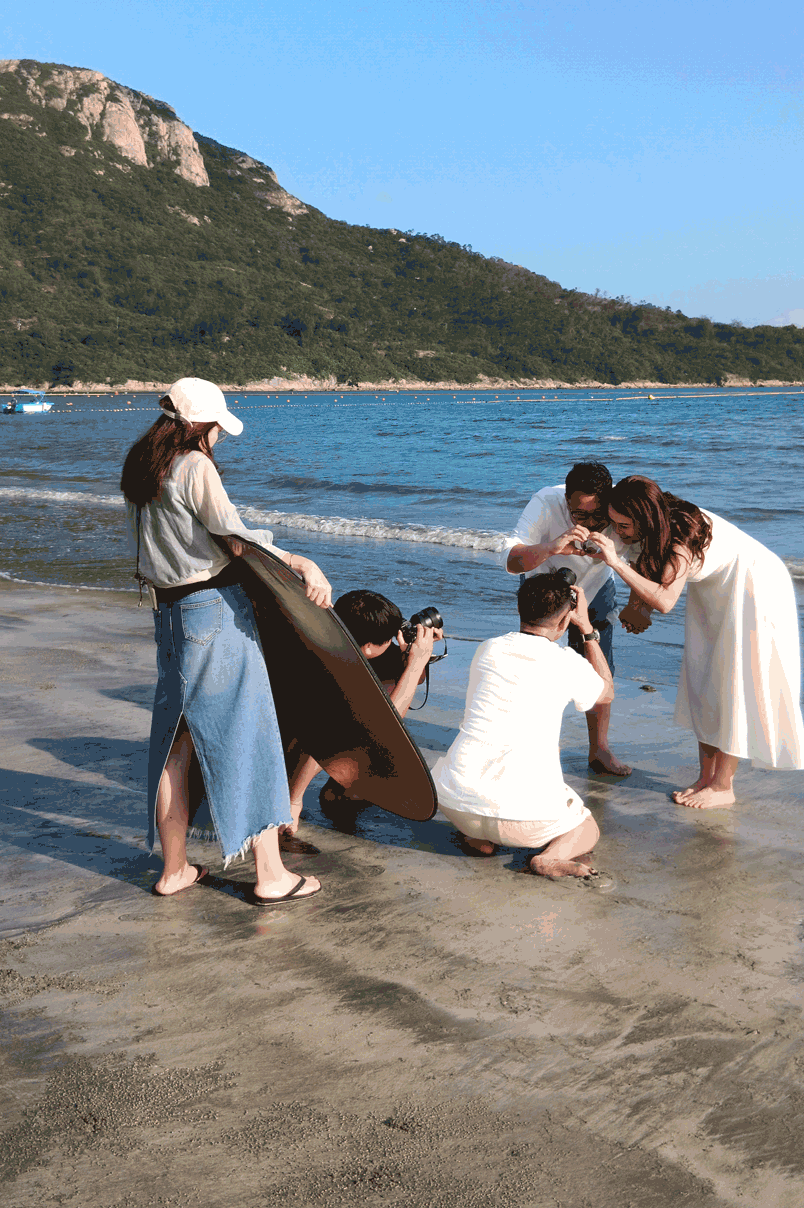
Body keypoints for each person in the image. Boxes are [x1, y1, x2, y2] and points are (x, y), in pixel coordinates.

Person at [122, 376, 333, 904]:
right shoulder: (194, 466)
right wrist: (298, 560)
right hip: (211, 612)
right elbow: (233, 537)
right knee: (247, 737)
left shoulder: (142, 466)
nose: (218, 437)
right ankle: (271, 876)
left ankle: (174, 870)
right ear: (200, 425)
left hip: (167, 614)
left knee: (175, 746)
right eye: (216, 427)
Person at [582, 475, 804, 809]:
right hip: (714, 588)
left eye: (624, 525)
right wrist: (634, 608)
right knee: (702, 675)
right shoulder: (647, 525)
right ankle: (705, 777)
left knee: (736, 680)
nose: (617, 531)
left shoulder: (681, 536)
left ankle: (723, 785)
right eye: (614, 523)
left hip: (754, 584)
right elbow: (642, 560)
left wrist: (615, 564)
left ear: (645, 518)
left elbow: (665, 600)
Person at [431, 570, 611, 879]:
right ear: (565, 619)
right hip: (527, 822)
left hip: (452, 801)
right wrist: (588, 629)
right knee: (586, 827)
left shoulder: (488, 649)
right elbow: (605, 693)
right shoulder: (566, 662)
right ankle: (550, 857)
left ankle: (479, 837)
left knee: (481, 794)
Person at [506, 459, 632, 776]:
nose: (590, 523)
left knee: (601, 663)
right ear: (566, 502)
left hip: (598, 586)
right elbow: (511, 560)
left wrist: (639, 606)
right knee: (532, 665)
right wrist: (551, 547)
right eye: (580, 515)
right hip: (545, 583)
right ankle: (524, 745)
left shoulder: (622, 510)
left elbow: (647, 560)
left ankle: (599, 750)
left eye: (598, 515)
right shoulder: (546, 500)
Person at [285, 589, 440, 836]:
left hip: (299, 730)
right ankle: (292, 801)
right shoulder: (333, 664)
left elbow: (414, 683)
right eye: (388, 638)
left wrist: (414, 656)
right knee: (331, 727)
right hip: (296, 738)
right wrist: (416, 662)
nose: (392, 640)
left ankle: (343, 787)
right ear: (368, 646)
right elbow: (389, 724)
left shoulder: (341, 636)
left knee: (393, 688)